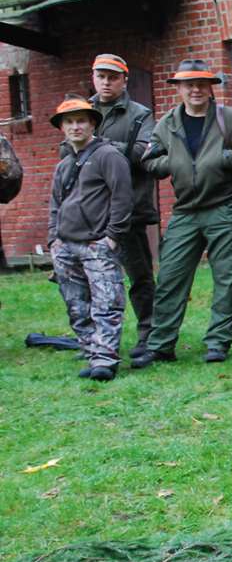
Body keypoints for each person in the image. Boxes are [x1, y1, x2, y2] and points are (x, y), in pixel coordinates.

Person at [132, 59, 232, 368]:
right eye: (189, 85)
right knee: (170, 278)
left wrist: (225, 158)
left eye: (201, 84)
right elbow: (148, 161)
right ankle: (161, 345)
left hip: (226, 208)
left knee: (228, 280)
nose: (195, 90)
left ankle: (218, 343)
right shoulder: (167, 124)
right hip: (186, 211)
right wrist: (173, 163)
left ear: (210, 87)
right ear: (179, 88)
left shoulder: (230, 119)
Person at [46, 95, 132, 381]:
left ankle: (105, 361)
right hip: (66, 245)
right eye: (69, 122)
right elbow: (55, 204)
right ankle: (90, 350)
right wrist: (53, 240)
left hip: (97, 244)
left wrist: (112, 237)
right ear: (62, 128)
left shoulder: (109, 156)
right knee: (77, 304)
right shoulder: (63, 164)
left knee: (107, 303)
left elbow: (122, 198)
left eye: (81, 121)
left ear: (92, 124)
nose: (75, 127)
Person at [85, 54, 158, 357]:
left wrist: (96, 146)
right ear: (93, 77)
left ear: (124, 80)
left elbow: (143, 153)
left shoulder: (140, 114)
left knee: (139, 276)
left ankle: (148, 334)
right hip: (90, 212)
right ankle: (93, 338)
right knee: (90, 278)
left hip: (129, 210)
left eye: (112, 77)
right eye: (101, 76)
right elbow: (67, 151)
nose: (106, 82)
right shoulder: (82, 111)